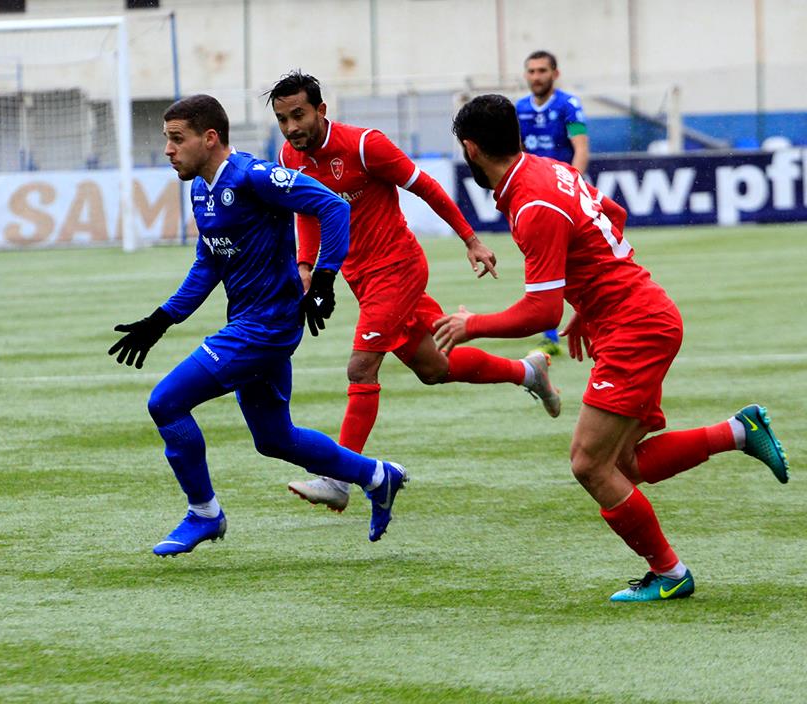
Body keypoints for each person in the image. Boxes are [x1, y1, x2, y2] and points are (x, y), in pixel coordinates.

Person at [435, 94, 790, 602]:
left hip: (634, 328)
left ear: (470, 149)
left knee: (589, 464)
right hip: (640, 315)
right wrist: (588, 301)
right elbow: (612, 217)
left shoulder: (532, 203)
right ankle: (739, 431)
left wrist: (473, 325)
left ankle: (670, 574)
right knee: (624, 464)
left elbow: (541, 313)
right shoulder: (551, 170)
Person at [108, 94, 409, 555]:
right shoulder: (201, 189)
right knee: (274, 438)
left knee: (166, 402)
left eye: (177, 139)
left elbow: (333, 207)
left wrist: (324, 278)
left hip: (265, 328)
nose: (168, 149)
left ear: (210, 138)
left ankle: (204, 513)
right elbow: (209, 262)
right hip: (252, 325)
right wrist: (162, 318)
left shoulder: (254, 175)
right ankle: (377, 476)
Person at [266, 71, 561, 513]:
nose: (291, 127)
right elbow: (306, 212)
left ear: (321, 110)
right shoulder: (290, 156)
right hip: (362, 278)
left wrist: (471, 239)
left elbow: (425, 187)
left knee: (361, 368)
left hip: (398, 268)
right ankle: (528, 372)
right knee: (434, 367)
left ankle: (339, 478)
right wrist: (305, 266)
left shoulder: (365, 145)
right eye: (282, 119)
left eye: (298, 115)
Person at [517, 50, 590, 356]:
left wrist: (573, 185)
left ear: (555, 74)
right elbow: (517, 152)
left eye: (542, 71)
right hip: (535, 195)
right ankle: (550, 335)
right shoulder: (519, 109)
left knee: (580, 263)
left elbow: (581, 148)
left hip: (564, 192)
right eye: (532, 71)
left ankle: (591, 321)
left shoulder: (568, 105)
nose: (536, 77)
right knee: (542, 262)